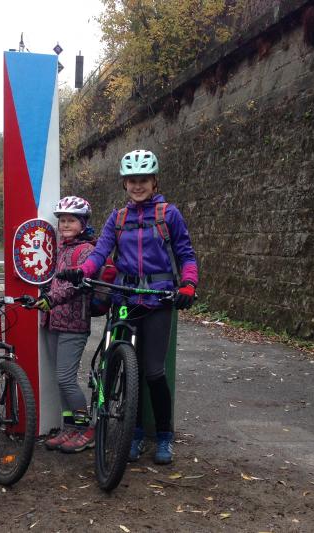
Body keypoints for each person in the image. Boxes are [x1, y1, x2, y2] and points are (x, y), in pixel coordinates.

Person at [58, 149, 198, 465]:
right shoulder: (117, 219)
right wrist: (83, 272)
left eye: (143, 180)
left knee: (153, 371)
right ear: (125, 184)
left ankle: (164, 436)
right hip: (124, 300)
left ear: (154, 181)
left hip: (159, 301)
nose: (137, 186)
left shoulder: (168, 215)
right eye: (132, 181)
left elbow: (186, 255)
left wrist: (188, 285)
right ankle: (132, 436)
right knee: (121, 367)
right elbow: (100, 253)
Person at [34, 196, 96, 453]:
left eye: (71, 220)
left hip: (73, 323)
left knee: (66, 379)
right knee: (61, 381)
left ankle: (86, 429)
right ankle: (69, 427)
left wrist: (51, 299)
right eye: (62, 220)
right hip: (53, 321)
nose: (65, 224)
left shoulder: (86, 251)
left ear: (82, 224)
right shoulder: (62, 247)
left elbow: (74, 286)